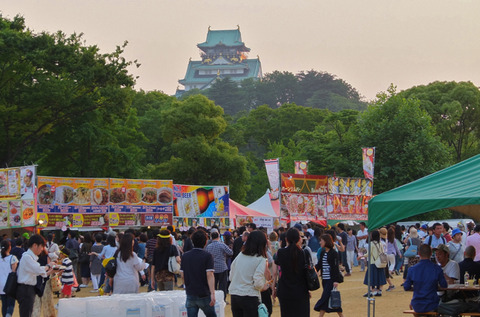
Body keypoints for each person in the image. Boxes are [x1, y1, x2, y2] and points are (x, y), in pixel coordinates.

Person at [229, 230, 271, 317]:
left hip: (235, 295)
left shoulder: (240, 255)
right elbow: (258, 283)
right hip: (250, 297)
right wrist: (265, 286)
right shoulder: (261, 259)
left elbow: (231, 275)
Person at [16, 234, 54, 317]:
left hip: (28, 289)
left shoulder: (30, 257)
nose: (42, 249)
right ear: (35, 245)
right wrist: (48, 266)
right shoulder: (27, 257)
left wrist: (51, 271)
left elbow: (38, 273)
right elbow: (38, 269)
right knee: (26, 314)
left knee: (28, 313)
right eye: (41, 246)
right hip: (25, 289)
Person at [274, 228, 309, 317]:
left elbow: (276, 263)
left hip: (285, 290)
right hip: (301, 290)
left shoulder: (281, 252)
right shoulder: (303, 253)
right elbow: (305, 272)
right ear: (299, 239)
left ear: (286, 239)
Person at [181, 230, 216, 317]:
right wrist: (212, 293)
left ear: (192, 241)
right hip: (203, 293)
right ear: (206, 242)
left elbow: (182, 274)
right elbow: (210, 274)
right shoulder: (207, 256)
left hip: (190, 293)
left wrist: (186, 286)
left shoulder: (185, 256)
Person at [404, 244, 447, 313]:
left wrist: (417, 287)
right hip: (432, 304)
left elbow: (406, 287)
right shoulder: (437, 268)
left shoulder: (412, 269)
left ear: (419, 254)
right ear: (431, 254)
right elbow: (444, 285)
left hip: (417, 304)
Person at [314, 234, 344, 317]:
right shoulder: (323, 252)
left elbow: (335, 268)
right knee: (329, 299)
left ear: (326, 241)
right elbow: (319, 264)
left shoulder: (333, 253)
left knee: (325, 297)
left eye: (321, 241)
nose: (320, 242)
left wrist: (336, 280)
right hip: (325, 279)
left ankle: (318, 309)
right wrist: (312, 269)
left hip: (331, 280)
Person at [206, 231, 232, 301]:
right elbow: (230, 252)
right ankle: (222, 300)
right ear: (218, 237)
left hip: (212, 268)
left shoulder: (208, 246)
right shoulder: (222, 245)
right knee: (222, 285)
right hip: (222, 267)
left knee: (213, 285)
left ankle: (213, 298)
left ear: (211, 237)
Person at [363, 230, 387, 297]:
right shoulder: (380, 243)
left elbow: (369, 253)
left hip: (372, 262)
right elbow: (382, 252)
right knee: (380, 277)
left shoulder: (371, 244)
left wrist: (362, 256)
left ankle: (371, 291)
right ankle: (380, 291)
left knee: (370, 277)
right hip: (380, 262)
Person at [0, 240, 18, 317]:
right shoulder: (12, 258)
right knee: (11, 303)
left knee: (4, 304)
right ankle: (8, 314)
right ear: (9, 247)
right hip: (10, 284)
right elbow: (14, 271)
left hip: (1, 285)